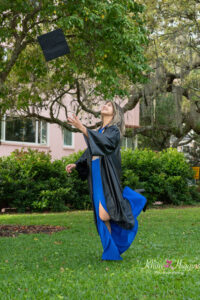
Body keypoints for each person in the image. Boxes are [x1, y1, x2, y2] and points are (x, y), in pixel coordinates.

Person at [66, 101, 147, 261]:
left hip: (106, 175)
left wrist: (82, 127)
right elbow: (90, 150)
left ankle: (134, 201)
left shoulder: (114, 131)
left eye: (109, 105)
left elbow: (104, 144)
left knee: (104, 215)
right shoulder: (101, 130)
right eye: (105, 104)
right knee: (101, 216)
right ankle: (111, 252)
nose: (105, 106)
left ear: (115, 113)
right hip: (95, 173)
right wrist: (77, 164)